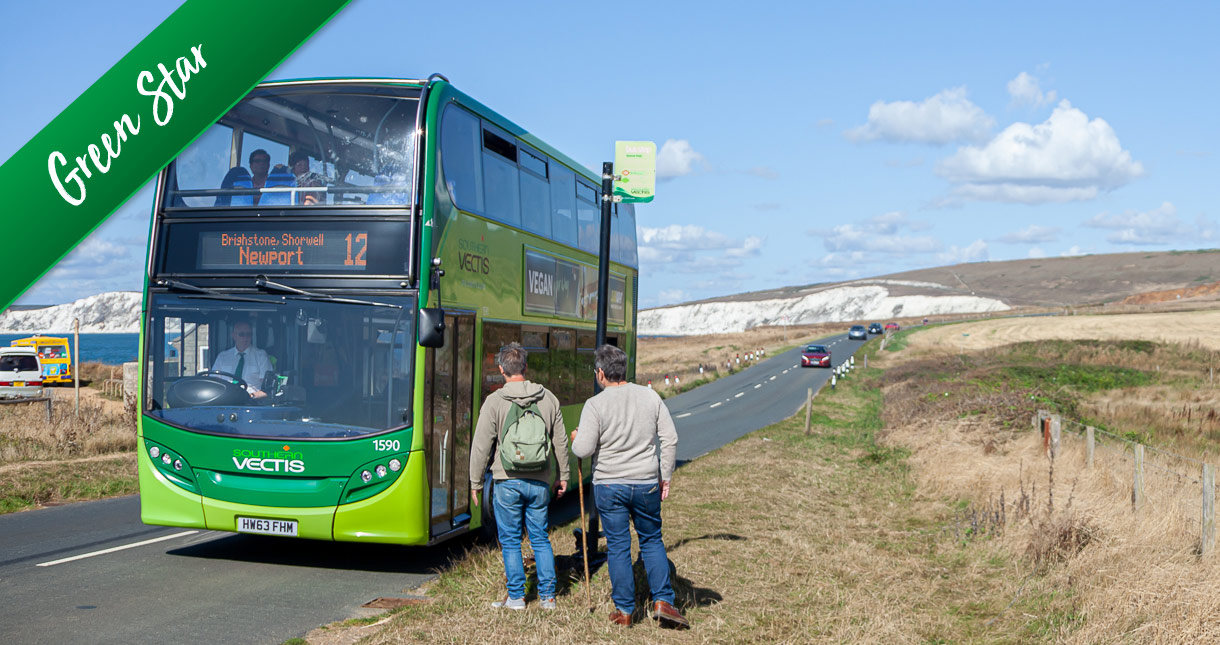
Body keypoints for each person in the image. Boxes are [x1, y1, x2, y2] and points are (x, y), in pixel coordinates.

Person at [572, 344, 688, 629]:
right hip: (646, 481)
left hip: (610, 484)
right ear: (623, 369)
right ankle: (663, 601)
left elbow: (583, 449)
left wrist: (576, 437)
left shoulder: (595, 404)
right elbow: (670, 439)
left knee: (619, 546)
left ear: (601, 373)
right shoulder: (650, 396)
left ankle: (624, 611)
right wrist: (666, 476)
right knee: (651, 540)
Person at [469, 342, 570, 611]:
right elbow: (560, 442)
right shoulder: (548, 398)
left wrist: (475, 483)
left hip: (506, 479)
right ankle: (548, 597)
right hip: (539, 481)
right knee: (539, 538)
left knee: (511, 540)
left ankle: (516, 598)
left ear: (501, 369)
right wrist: (563, 476)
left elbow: (481, 446)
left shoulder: (494, 401)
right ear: (525, 367)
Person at [210, 321, 273, 398]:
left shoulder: (261, 356)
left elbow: (267, 388)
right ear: (233, 336)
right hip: (225, 399)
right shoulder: (222, 357)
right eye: (241, 334)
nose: (245, 338)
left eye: (248, 335)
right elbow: (213, 381)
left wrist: (250, 396)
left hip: (251, 401)